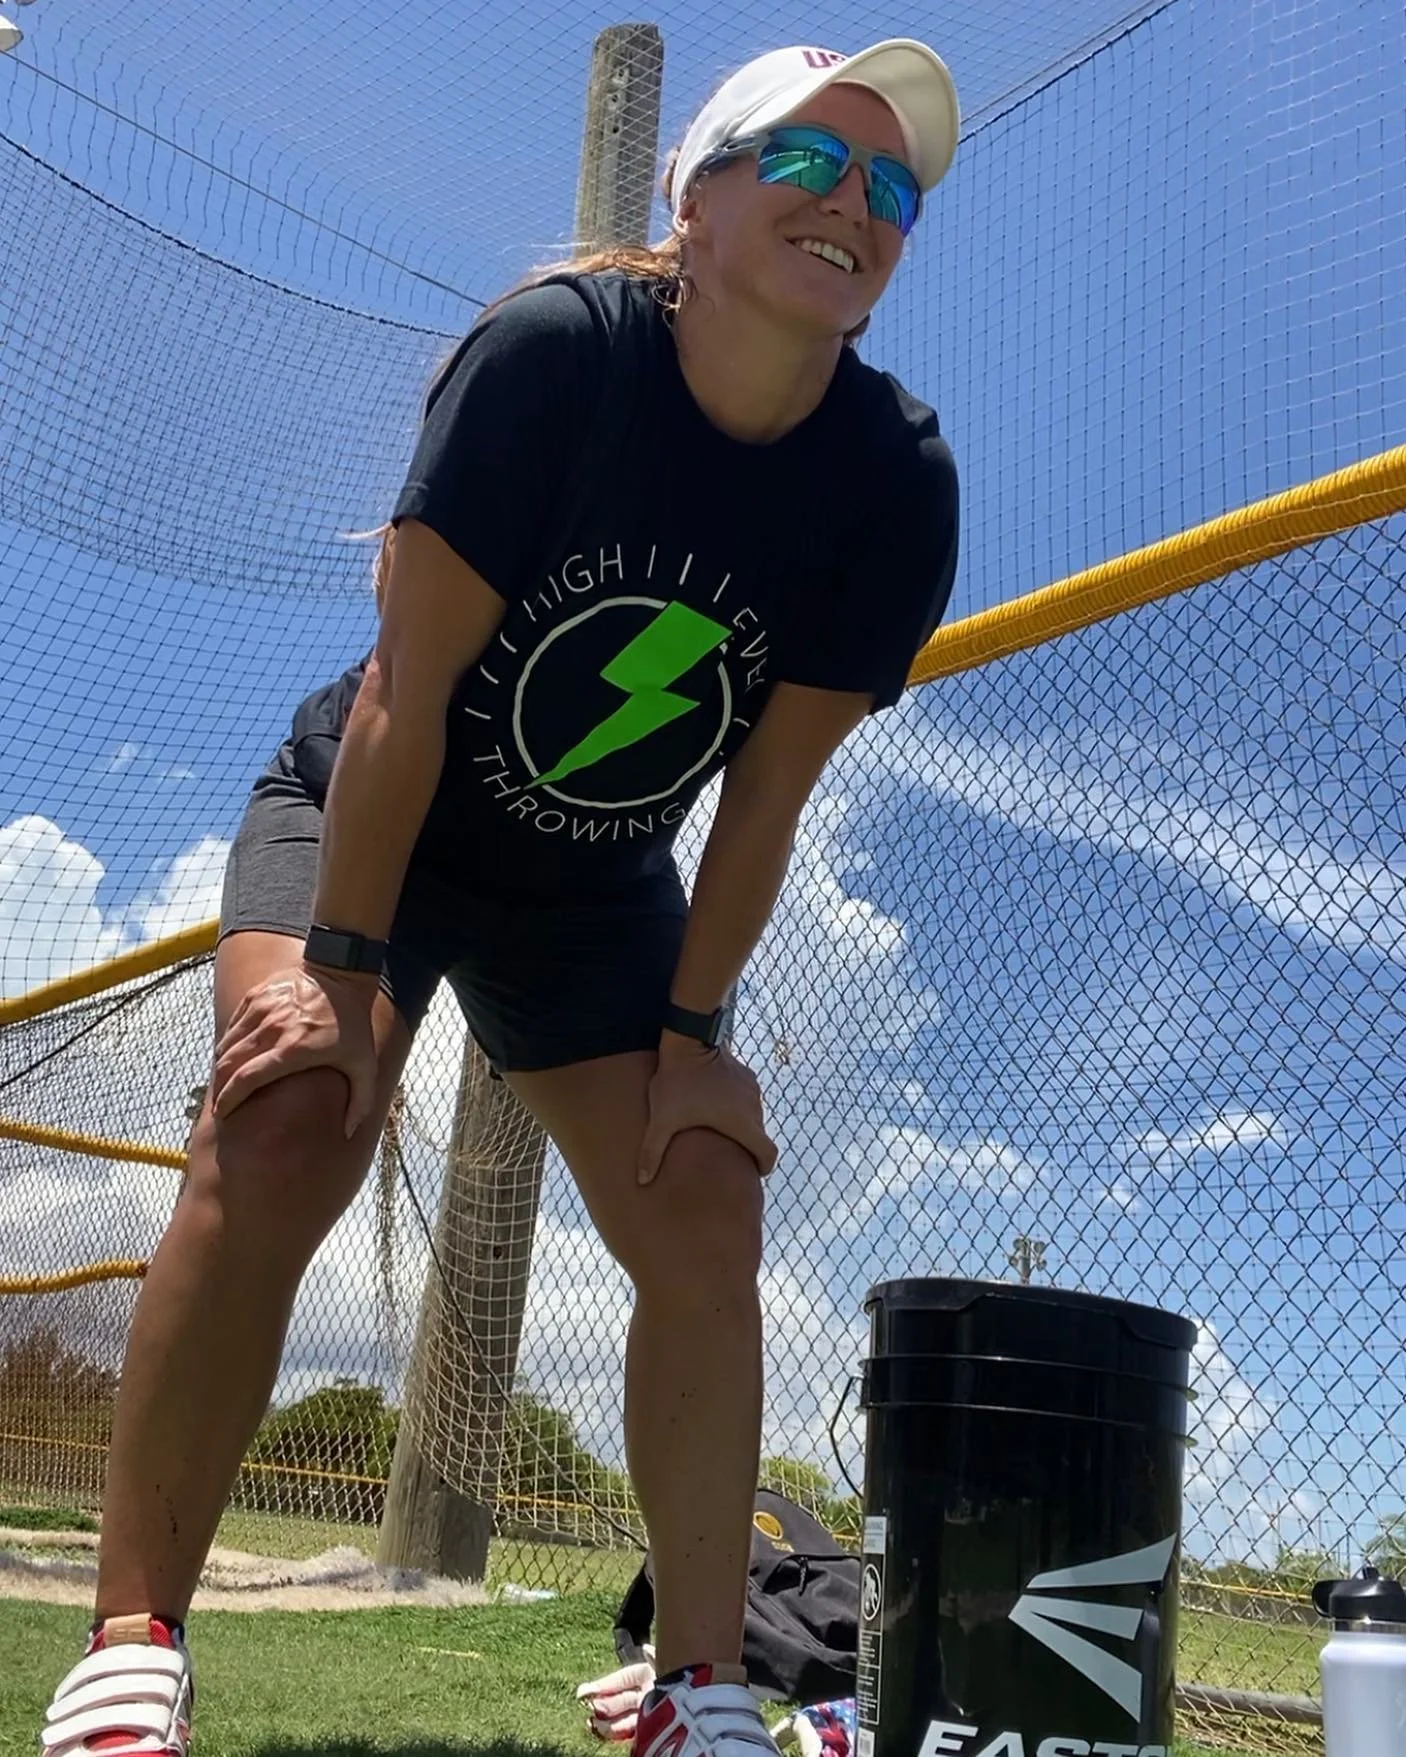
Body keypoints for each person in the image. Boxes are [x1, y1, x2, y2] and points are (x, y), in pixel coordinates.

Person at [40, 36, 961, 1757]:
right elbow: (405, 696)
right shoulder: (556, 356)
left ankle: (699, 1688)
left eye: (892, 186)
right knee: (289, 1109)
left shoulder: (892, 479)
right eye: (804, 159)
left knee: (701, 1189)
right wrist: (338, 975)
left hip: (591, 889)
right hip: (373, 816)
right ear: (694, 202)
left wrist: (693, 1039)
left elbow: (765, 799)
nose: (853, 200)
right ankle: (133, 1644)